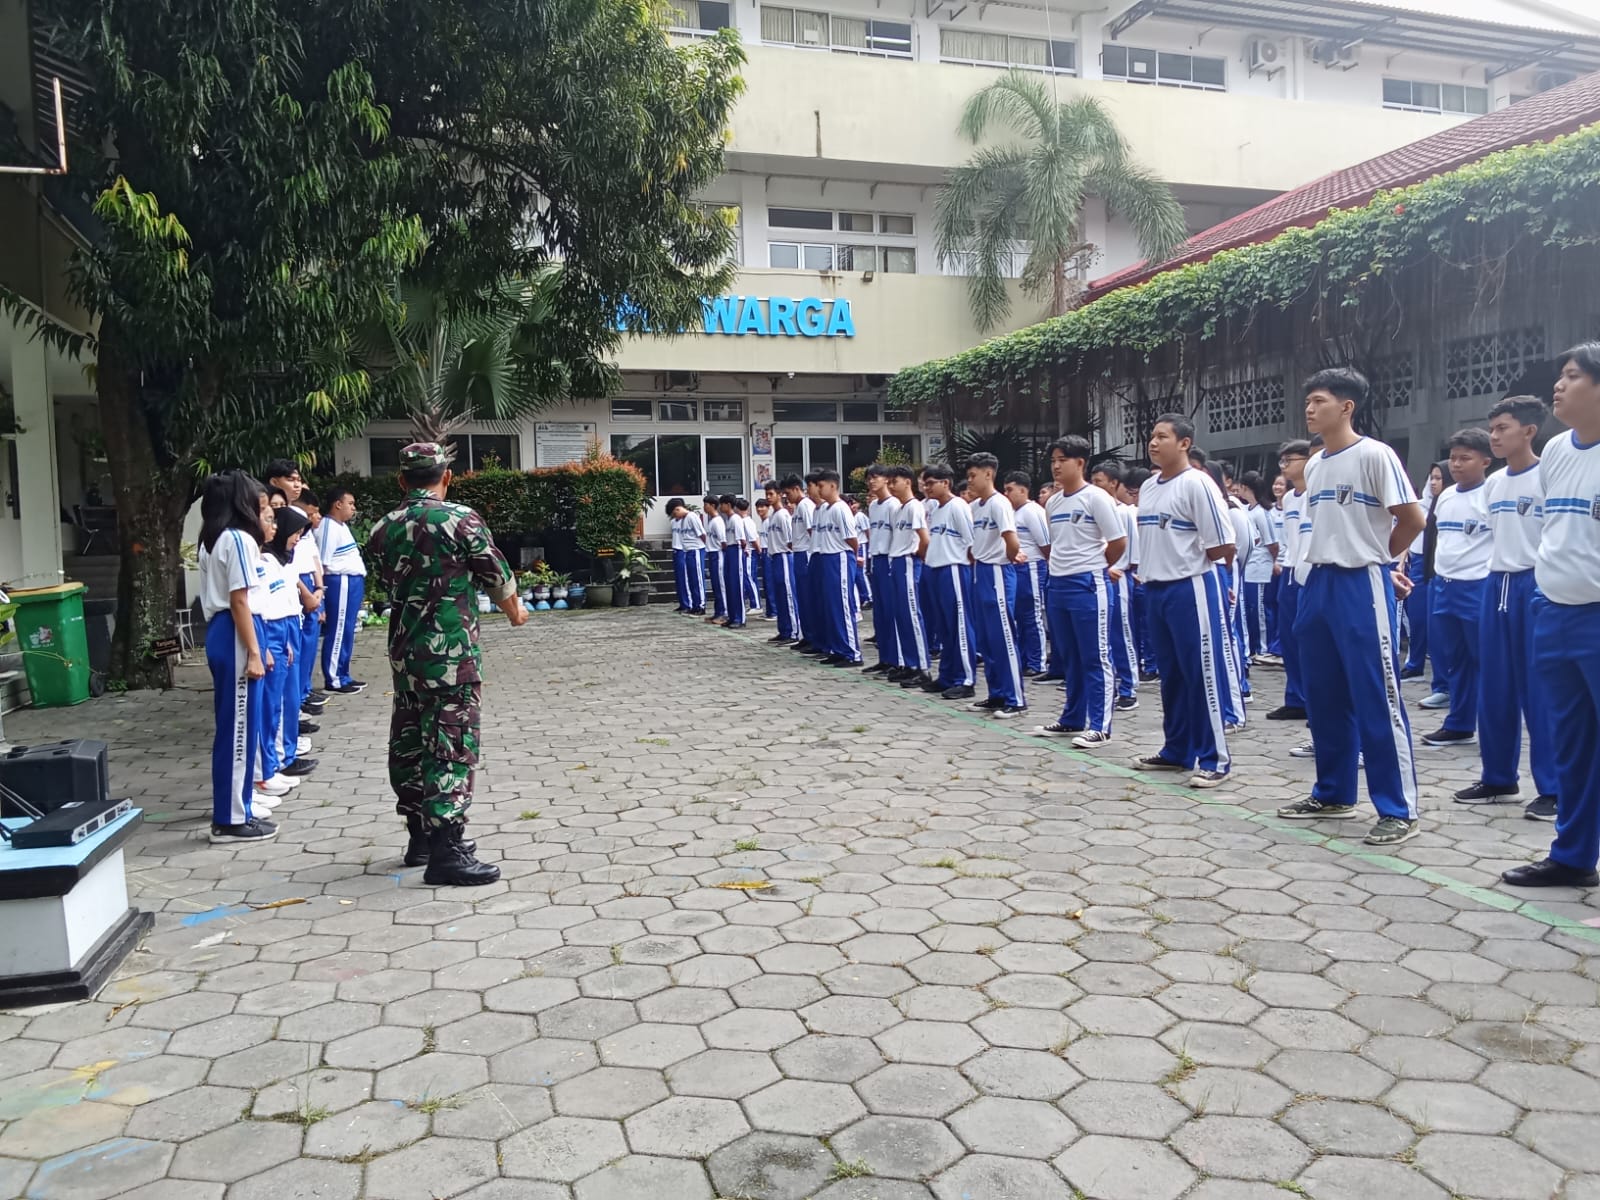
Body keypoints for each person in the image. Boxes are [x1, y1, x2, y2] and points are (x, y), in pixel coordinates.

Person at [367, 442, 528, 886]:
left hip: (405, 654)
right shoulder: (459, 518)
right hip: (451, 654)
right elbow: (494, 573)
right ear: (447, 477)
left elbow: (385, 579)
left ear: (401, 480)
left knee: (409, 739)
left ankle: (420, 837)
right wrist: (514, 610)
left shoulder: (382, 527)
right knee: (450, 744)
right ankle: (447, 850)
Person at [1276, 368, 1425, 847]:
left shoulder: (1375, 455)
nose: (1309, 409)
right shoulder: (1316, 464)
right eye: (1308, 401)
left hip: (1360, 583)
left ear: (1347, 407)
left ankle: (1398, 808)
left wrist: (1380, 561)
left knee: (1376, 693)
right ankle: (1334, 792)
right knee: (1324, 694)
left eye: (1318, 400)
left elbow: (1411, 519)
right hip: (1317, 583)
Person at [1503, 343, 1600, 886]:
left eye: (1571, 376)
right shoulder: (1561, 450)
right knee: (1571, 740)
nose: (1558, 386)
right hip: (1555, 613)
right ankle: (1573, 855)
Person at [1459, 396, 1557, 816]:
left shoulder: (1549, 476)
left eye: (1503, 428)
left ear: (1529, 431)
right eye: (1493, 429)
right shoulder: (1494, 484)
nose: (1495, 436)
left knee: (1540, 691)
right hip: (1495, 584)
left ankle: (1554, 787)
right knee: (1495, 686)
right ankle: (1499, 777)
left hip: (1535, 584)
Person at [1134, 415, 1234, 788]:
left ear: (1185, 443)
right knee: (1171, 675)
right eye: (1152, 435)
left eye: (1162, 436)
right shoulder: (1147, 487)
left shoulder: (1197, 484)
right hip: (1156, 589)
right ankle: (1177, 749)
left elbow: (1222, 544)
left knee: (1202, 673)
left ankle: (1215, 758)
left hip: (1189, 586)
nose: (1153, 442)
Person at [197, 470, 276, 842]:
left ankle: (239, 808)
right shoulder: (239, 539)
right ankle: (229, 819)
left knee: (236, 726)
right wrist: (255, 652)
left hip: (224, 630)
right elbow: (240, 599)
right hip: (234, 631)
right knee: (239, 729)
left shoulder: (210, 539)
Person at [1035, 436, 1126, 747]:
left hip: (1087, 583)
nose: (1057, 466)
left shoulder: (1096, 498)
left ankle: (1100, 725)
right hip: (1057, 584)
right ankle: (1072, 718)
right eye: (1053, 461)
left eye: (1063, 459)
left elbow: (1118, 542)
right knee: (1069, 655)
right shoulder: (1054, 502)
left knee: (1095, 655)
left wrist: (1095, 567)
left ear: (1080, 463)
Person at [1424, 428, 1494, 747]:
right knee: (1456, 659)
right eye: (1453, 457)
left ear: (1485, 461)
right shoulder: (1446, 496)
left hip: (1477, 587)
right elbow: (1436, 540)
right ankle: (1460, 722)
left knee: (1486, 659)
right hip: (1445, 586)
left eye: (1466, 458)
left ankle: (1495, 725)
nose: (1457, 464)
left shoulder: (1492, 494)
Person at [260, 505, 316, 795]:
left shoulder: (283, 560)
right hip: (273, 630)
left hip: (288, 628)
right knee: (273, 703)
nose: (297, 539)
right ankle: (273, 763)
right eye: (294, 533)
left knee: (288, 698)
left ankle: (281, 757)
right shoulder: (266, 561)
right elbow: (266, 604)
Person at [966, 453, 1026, 717]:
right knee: (987, 638)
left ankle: (1016, 698)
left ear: (988, 474)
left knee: (1003, 635)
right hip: (981, 570)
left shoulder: (999, 504)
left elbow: (1011, 539)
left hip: (998, 572)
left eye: (973, 475)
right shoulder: (975, 506)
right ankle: (997, 693)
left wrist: (1011, 558)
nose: (969, 481)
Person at [922, 465, 977, 698]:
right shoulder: (936, 508)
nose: (927, 488)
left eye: (931, 483)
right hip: (936, 569)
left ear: (946, 483)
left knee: (959, 626)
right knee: (944, 626)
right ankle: (947, 675)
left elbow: (971, 541)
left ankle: (965, 679)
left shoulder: (958, 506)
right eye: (925, 484)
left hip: (953, 568)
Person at [1268, 443, 1312, 726]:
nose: (1284, 467)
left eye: (1289, 460)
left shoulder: (1315, 496)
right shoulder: (1291, 499)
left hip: (1311, 572)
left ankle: (1312, 698)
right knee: (1289, 637)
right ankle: (1295, 698)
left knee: (1308, 639)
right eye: (1281, 461)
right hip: (1290, 570)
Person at [1091, 462, 1139, 709]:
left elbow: (1129, 547)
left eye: (1099, 480)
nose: (1094, 485)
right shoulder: (1093, 507)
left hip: (1119, 577)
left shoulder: (1125, 512)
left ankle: (1129, 688)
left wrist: (1122, 567)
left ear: (1114, 484)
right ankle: (1109, 687)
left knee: (1122, 634)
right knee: (1104, 636)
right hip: (1100, 576)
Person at [316, 485, 368, 694]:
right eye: (350, 503)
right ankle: (334, 678)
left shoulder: (341, 526)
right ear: (338, 504)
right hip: (340, 581)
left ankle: (344, 673)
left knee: (348, 629)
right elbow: (323, 562)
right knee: (338, 630)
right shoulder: (328, 527)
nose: (353, 508)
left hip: (352, 581)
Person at [810, 470, 862, 666]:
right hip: (826, 557)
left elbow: (851, 539)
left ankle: (852, 652)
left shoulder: (841, 508)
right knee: (830, 606)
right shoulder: (824, 509)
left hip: (839, 557)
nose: (819, 490)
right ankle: (837, 648)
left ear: (833, 486)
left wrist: (853, 556)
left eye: (821, 486)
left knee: (841, 605)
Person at [887, 465, 932, 688]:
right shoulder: (898, 510)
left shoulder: (915, 507)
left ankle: (922, 667)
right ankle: (909, 663)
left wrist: (918, 557)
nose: (891, 486)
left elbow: (924, 538)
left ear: (907, 482)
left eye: (894, 481)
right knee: (901, 615)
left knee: (912, 614)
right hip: (895, 561)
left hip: (908, 560)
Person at [1004, 471, 1050, 678]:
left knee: (1032, 615)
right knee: (1019, 615)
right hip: (1016, 566)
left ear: (1023, 490)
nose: (1006, 494)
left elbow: (1045, 543)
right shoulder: (1012, 513)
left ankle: (1037, 661)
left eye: (1010, 490)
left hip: (1031, 566)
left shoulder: (1032, 511)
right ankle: (1023, 658)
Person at [1416, 461, 1452, 707]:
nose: (1433, 482)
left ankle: (1452, 688)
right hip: (1433, 574)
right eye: (1432, 477)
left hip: (1458, 579)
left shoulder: (1455, 502)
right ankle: (1441, 685)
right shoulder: (1432, 506)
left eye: (1439, 478)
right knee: (1436, 633)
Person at [293, 489, 327, 727]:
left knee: (308, 643)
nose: (316, 519)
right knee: (299, 646)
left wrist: (319, 586)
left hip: (312, 583)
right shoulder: (290, 521)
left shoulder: (305, 533)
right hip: (299, 583)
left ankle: (304, 690)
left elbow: (315, 559)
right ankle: (298, 697)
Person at [864, 466, 902, 675]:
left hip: (888, 559)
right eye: (869, 478)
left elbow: (898, 535)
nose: (871, 481)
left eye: (875, 477)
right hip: (876, 559)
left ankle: (896, 659)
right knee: (879, 613)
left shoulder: (893, 505)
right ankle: (885, 657)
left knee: (891, 611)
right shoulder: (874, 506)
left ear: (887, 480)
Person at [1240, 471, 1279, 663]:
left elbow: (1272, 543)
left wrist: (1273, 562)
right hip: (1248, 567)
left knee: (1260, 610)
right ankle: (1255, 646)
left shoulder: (1262, 513)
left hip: (1261, 567)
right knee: (1250, 608)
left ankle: (1263, 647)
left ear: (1246, 488)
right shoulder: (1246, 510)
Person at [785, 474, 818, 654]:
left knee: (807, 597)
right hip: (798, 552)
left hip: (805, 554)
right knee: (802, 598)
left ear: (798, 489)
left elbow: (812, 531)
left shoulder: (806, 506)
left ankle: (813, 637)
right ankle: (806, 635)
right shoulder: (798, 508)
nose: (787, 497)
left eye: (788, 493)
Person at [765, 483, 799, 644]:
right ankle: (783, 629)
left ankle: (793, 631)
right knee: (779, 595)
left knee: (788, 594)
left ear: (779, 495)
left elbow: (790, 539)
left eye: (771, 494)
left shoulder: (783, 515)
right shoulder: (773, 516)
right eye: (767, 494)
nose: (768, 497)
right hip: (774, 557)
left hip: (784, 556)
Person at [670, 498, 707, 616]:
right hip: (687, 550)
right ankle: (694, 605)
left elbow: (702, 534)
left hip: (695, 549)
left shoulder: (692, 517)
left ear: (678, 508)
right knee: (691, 580)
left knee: (697, 579)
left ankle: (700, 606)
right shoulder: (680, 520)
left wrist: (706, 547)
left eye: (675, 512)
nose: (674, 516)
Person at [718, 495, 749, 629]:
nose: (720, 507)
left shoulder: (736, 519)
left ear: (728, 505)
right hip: (729, 551)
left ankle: (739, 618)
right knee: (729, 584)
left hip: (736, 550)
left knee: (736, 585)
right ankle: (732, 616)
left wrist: (742, 551)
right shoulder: (728, 520)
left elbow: (741, 540)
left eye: (722, 504)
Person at [703, 492, 728, 624]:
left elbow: (723, 541)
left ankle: (724, 613)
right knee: (715, 586)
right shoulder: (712, 521)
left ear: (712, 505)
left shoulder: (718, 522)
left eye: (706, 505)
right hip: (712, 554)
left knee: (720, 585)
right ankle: (718, 612)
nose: (704, 507)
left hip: (718, 554)